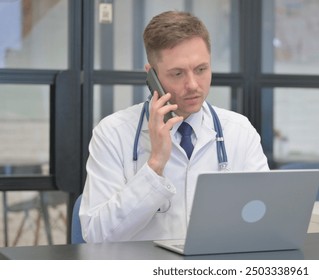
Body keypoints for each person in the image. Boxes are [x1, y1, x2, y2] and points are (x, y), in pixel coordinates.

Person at [79, 11, 269, 243]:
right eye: (177, 73)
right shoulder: (112, 133)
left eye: (201, 70)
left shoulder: (239, 130)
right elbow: (97, 236)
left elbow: (264, 220)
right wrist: (155, 164)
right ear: (152, 76)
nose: (193, 85)